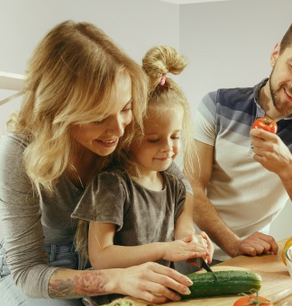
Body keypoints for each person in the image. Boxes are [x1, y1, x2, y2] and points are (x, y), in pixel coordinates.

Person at [0, 21, 198, 306]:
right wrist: (117, 279)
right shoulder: (18, 152)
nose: (119, 130)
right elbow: (28, 273)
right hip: (42, 271)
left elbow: (178, 179)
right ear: (59, 109)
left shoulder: (121, 131)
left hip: (110, 267)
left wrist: (195, 234)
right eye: (99, 117)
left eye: (126, 108)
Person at [189, 10, 292, 262]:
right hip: (188, 251)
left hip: (249, 261)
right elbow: (191, 189)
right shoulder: (216, 105)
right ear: (275, 54)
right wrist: (234, 244)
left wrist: (289, 168)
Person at [72, 46, 212, 275]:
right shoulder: (111, 185)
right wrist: (164, 249)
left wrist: (196, 249)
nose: (168, 148)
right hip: (116, 301)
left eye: (175, 137)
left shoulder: (176, 187)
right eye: (154, 139)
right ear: (128, 137)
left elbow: (182, 241)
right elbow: (101, 257)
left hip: (156, 296)